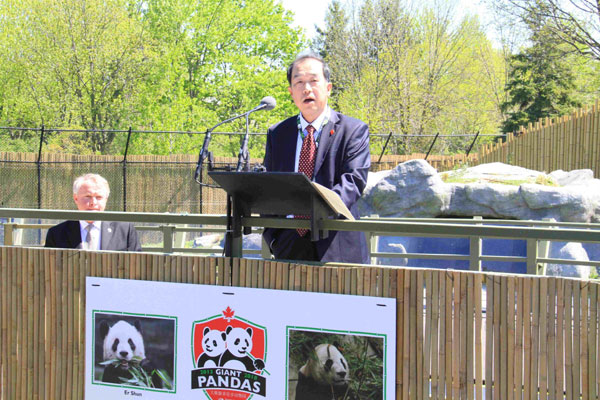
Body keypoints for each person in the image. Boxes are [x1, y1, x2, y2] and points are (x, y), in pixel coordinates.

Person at [262, 52, 370, 264]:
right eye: (299, 82)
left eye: (313, 81)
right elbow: (271, 184)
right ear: (291, 92)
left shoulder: (352, 130)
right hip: (289, 243)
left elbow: (354, 182)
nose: (307, 88)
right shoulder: (278, 134)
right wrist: (273, 236)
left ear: (328, 88)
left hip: (336, 241)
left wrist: (313, 211)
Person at [45, 173, 141, 251]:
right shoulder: (57, 234)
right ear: (76, 198)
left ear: (106, 199)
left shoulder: (124, 231)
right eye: (87, 197)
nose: (93, 203)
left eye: (99, 197)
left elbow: (137, 266)